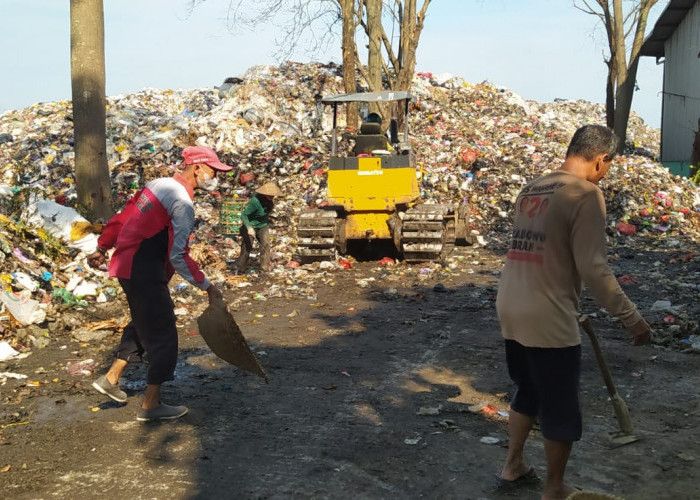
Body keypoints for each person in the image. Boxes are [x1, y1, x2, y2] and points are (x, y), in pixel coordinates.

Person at [495, 125, 651, 500]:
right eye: (608, 165)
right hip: (547, 314)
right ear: (601, 160)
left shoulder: (532, 187)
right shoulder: (585, 193)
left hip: (510, 305)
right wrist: (630, 316)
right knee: (561, 407)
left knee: (527, 390)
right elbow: (594, 268)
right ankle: (554, 488)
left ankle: (512, 466)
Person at [87, 145, 232, 422]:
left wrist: (102, 247)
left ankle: (111, 377)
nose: (216, 177)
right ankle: (151, 406)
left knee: (144, 322)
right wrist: (208, 287)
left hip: (126, 265)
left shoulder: (158, 185)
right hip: (144, 269)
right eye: (213, 170)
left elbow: (121, 219)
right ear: (197, 167)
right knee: (163, 331)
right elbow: (178, 255)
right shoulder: (183, 203)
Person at [236, 182, 282, 273]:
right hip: (251, 225)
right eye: (270, 195)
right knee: (247, 246)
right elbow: (244, 215)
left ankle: (264, 268)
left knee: (266, 245)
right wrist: (249, 228)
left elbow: (265, 213)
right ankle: (241, 269)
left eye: (273, 195)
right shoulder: (255, 201)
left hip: (262, 226)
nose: (272, 197)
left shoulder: (270, 202)